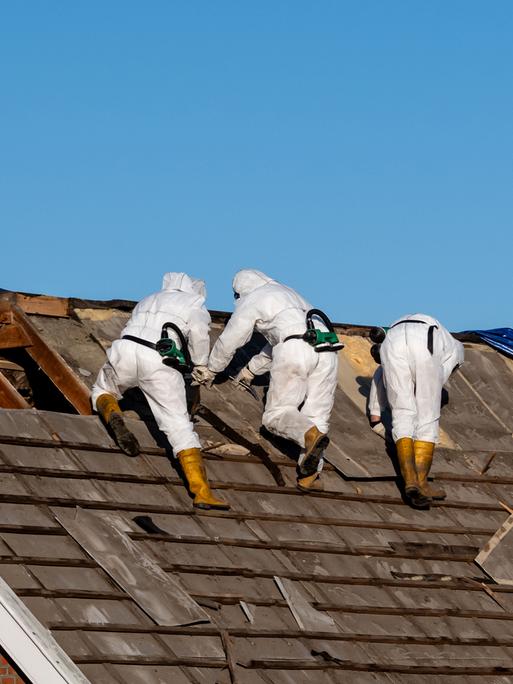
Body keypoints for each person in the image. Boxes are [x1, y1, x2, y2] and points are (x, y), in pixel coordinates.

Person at [91, 272, 229, 510]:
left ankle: (112, 411)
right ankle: (202, 492)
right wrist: (199, 365)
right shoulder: (194, 303)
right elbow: (198, 333)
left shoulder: (148, 299)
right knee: (178, 426)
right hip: (158, 358)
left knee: (102, 389)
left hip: (124, 349)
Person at [192, 269, 341, 490]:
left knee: (276, 414)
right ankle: (309, 474)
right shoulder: (289, 294)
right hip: (328, 350)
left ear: (240, 291)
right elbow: (278, 340)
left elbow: (231, 339)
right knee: (317, 415)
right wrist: (250, 371)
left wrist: (211, 370)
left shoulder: (253, 298)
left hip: (295, 348)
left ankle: (308, 435)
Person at [368, 314, 464, 505]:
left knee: (402, 413)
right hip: (424, 338)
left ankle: (409, 480)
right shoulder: (457, 351)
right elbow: (434, 384)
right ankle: (421, 482)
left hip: (393, 338)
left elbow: (380, 373)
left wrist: (375, 413)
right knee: (428, 414)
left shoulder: (389, 342)